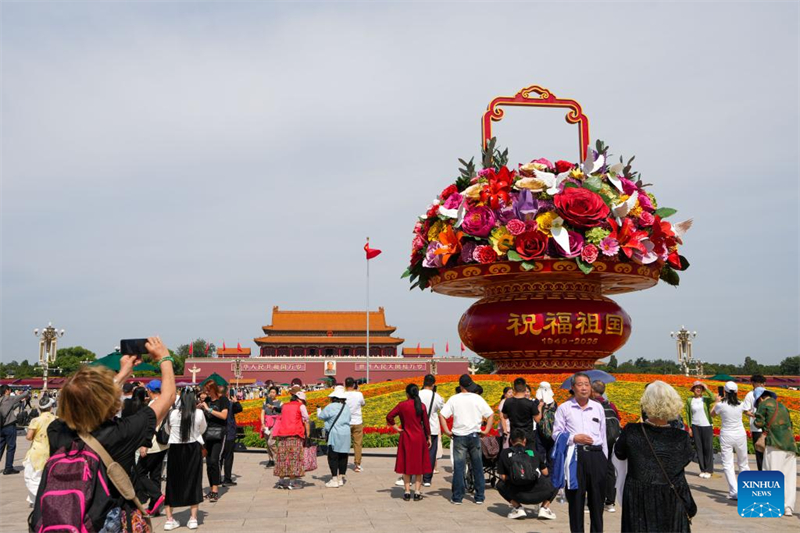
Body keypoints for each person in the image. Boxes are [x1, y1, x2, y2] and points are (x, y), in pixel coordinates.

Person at [44, 337, 175, 532]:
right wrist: (165, 358)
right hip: (108, 520)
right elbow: (168, 396)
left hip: (66, 517)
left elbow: (82, 404)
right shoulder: (119, 434)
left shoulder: (57, 431)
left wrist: (122, 373)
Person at [615, 381, 696, 532]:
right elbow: (685, 460)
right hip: (671, 496)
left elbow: (619, 453)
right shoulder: (681, 437)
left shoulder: (632, 431)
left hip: (638, 497)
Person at [552, 372, 607, 533]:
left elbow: (603, 435)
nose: (584, 387)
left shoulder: (598, 407)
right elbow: (556, 434)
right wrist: (574, 438)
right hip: (575, 457)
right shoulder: (564, 408)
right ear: (573, 387)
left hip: (596, 456)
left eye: (586, 384)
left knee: (597, 502)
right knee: (576, 501)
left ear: (591, 387)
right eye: (580, 384)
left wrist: (604, 461)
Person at [439, 374, 494, 505]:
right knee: (477, 466)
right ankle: (479, 496)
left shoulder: (454, 399)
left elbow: (441, 415)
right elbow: (491, 415)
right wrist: (485, 431)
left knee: (459, 467)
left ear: (460, 386)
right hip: (475, 435)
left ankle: (457, 497)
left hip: (459, 437)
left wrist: (447, 431)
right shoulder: (477, 398)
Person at [163, 387, 207, 531]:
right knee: (194, 480)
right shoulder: (199, 413)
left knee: (172, 481)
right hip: (192, 448)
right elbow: (202, 429)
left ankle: (169, 519)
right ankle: (193, 518)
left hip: (175, 449)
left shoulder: (172, 414)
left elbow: (167, 430)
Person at [497, 428, 558, 520]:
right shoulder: (533, 452)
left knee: (500, 484)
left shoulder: (505, 453)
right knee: (556, 481)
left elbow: (502, 476)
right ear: (524, 440)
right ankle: (544, 508)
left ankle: (518, 508)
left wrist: (514, 478)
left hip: (517, 494)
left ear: (510, 441)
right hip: (539, 494)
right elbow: (545, 472)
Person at [753, 388, 796, 517]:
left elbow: (758, 423)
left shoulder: (764, 405)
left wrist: (755, 417)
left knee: (771, 473)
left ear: (760, 398)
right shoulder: (782, 405)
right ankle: (788, 507)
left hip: (775, 443)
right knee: (789, 477)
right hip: (790, 444)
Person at [387, 383, 432, 501]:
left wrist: (396, 428)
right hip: (419, 437)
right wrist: (429, 437)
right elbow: (426, 424)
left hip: (406, 436)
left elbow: (389, 416)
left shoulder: (402, 405)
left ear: (407, 394)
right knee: (419, 465)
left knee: (407, 464)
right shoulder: (421, 406)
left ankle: (407, 492)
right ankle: (417, 492)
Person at [135, 379, 169, 516]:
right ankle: (154, 505)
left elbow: (149, 427)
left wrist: (144, 444)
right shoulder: (165, 403)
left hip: (152, 444)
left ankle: (157, 495)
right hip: (163, 444)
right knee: (155, 474)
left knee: (139, 472)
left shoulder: (153, 404)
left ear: (149, 390)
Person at [711, 381, 749, 500]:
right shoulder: (741, 404)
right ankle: (746, 490)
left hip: (726, 435)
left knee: (728, 464)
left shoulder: (721, 405)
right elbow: (747, 411)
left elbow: (712, 414)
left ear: (725, 392)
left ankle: (734, 491)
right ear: (737, 392)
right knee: (743, 463)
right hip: (740, 435)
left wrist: (716, 401)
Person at [590, 380, 620, 513]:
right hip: (611, 439)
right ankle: (610, 501)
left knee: (595, 470)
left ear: (593, 391)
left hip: (597, 440)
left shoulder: (592, 405)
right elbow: (618, 419)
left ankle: (597, 500)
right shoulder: (611, 404)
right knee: (610, 469)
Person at [272, 386, 310, 489]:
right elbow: (306, 420)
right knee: (294, 458)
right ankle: (292, 483)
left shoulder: (284, 405)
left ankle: (281, 481)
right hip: (295, 434)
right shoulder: (301, 406)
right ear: (300, 399)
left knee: (282, 458)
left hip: (283, 434)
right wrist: (308, 434)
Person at [23, 396, 57, 505]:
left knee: (32, 477)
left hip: (37, 452)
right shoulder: (56, 419)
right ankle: (38, 498)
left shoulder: (36, 420)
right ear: (50, 408)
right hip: (51, 451)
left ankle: (40, 497)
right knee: (46, 476)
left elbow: (29, 437)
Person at [200, 380, 230, 502]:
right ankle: (211, 487)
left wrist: (208, 409)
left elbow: (224, 416)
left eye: (208, 389)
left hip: (219, 433)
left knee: (214, 460)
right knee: (208, 462)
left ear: (213, 388)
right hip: (206, 434)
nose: (206, 391)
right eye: (205, 389)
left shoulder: (223, 400)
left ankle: (215, 490)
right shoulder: (206, 401)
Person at [319, 385, 352, 488]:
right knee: (343, 456)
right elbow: (349, 419)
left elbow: (321, 416)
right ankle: (341, 478)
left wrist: (319, 410)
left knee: (333, 457)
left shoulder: (331, 406)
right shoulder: (346, 407)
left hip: (335, 434)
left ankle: (334, 479)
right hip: (346, 434)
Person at [501, 378, 542, 458]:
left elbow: (504, 416)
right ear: (524, 388)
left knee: (515, 458)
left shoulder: (508, 402)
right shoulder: (530, 403)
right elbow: (537, 420)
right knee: (530, 458)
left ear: (514, 388)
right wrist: (540, 407)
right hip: (528, 437)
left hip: (514, 436)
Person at [418, 374, 444, 487]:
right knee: (431, 453)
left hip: (418, 427)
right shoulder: (436, 396)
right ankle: (427, 479)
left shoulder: (417, 394)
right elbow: (442, 409)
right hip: (432, 428)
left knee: (418, 452)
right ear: (433, 384)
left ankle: (416, 473)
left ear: (423, 382)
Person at [684, 381, 714, 479]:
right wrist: (689, 427)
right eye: (696, 388)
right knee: (699, 448)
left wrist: (707, 388)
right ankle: (703, 469)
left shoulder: (705, 399)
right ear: (693, 390)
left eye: (700, 388)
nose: (698, 389)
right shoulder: (689, 400)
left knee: (708, 448)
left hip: (706, 425)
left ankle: (709, 469)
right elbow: (688, 414)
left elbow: (713, 398)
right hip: (695, 426)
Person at [0, 385, 31, 475]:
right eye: (10, 390)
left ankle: (8, 467)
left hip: (1, 427)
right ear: (6, 391)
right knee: (11, 447)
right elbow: (24, 394)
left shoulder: (1, 400)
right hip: (9, 426)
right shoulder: (8, 398)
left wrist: (19, 403)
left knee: (1, 447)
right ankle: (8, 468)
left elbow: (10, 408)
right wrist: (26, 391)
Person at [741, 374, 767, 470]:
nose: (760, 385)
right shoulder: (750, 395)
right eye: (757, 383)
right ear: (753, 383)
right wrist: (756, 416)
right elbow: (746, 410)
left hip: (768, 427)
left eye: (762, 383)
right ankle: (761, 472)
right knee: (759, 452)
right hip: (756, 427)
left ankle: (769, 471)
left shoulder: (768, 394)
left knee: (769, 452)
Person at [222, 387, 243, 487]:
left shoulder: (217, 404)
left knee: (221, 457)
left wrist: (235, 402)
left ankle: (222, 478)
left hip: (222, 433)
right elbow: (239, 409)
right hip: (227, 433)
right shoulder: (228, 404)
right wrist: (235, 402)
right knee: (228, 456)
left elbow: (239, 409)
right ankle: (226, 478)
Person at [344, 377, 366, 473]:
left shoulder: (343, 394)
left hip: (345, 422)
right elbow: (363, 404)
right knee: (357, 444)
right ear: (353, 385)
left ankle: (343, 463)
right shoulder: (359, 394)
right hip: (357, 421)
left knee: (344, 444)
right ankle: (357, 465)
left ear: (345, 385)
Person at [260, 386, 281, 467]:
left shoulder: (279, 403)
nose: (272, 394)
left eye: (274, 392)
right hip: (266, 423)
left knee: (271, 442)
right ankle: (271, 459)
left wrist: (273, 407)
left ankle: (278, 458)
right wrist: (262, 423)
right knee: (267, 441)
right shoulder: (265, 403)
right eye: (271, 392)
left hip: (275, 423)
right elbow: (262, 412)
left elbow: (281, 411)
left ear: (276, 394)